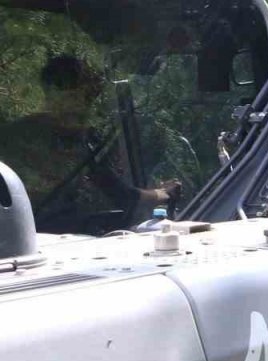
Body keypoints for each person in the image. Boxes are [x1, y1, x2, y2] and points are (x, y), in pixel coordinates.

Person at [1, 54, 179, 235]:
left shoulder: (77, 137)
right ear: (50, 93)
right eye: (72, 96)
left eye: (87, 98)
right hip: (34, 237)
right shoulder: (67, 139)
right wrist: (163, 194)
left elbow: (115, 189)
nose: (79, 105)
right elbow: (122, 195)